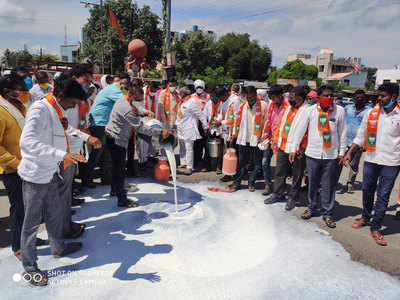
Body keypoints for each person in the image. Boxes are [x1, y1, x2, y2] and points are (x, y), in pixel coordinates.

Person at [18, 78, 89, 286]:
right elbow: (27, 141)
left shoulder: (56, 109)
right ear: (61, 96)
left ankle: (58, 248)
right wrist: (62, 154)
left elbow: (59, 133)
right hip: (35, 176)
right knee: (31, 223)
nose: (74, 106)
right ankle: (30, 267)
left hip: (49, 172)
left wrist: (78, 141)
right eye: (73, 101)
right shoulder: (40, 109)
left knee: (55, 213)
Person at [346, 83, 400, 246]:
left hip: (391, 162)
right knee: (367, 190)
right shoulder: (371, 113)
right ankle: (365, 217)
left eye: (383, 96)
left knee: (383, 195)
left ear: (393, 97)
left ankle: (376, 227)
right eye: (379, 95)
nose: (379, 98)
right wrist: (350, 152)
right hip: (371, 159)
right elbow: (361, 135)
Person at [289, 85, 347, 229]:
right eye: (326, 96)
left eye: (331, 95)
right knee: (312, 184)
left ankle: (328, 213)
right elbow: (300, 130)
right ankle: (311, 207)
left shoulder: (339, 111)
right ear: (319, 97)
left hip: (331, 155)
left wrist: (341, 153)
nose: (329, 98)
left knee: (328, 186)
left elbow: (343, 132)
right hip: (313, 154)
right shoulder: (310, 111)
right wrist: (293, 148)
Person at [105, 85, 169, 207]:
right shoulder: (127, 109)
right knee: (119, 169)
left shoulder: (123, 99)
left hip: (111, 136)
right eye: (138, 99)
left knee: (116, 167)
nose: (139, 101)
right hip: (116, 139)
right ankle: (122, 199)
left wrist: (143, 112)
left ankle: (114, 190)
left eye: (140, 99)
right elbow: (140, 128)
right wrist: (160, 132)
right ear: (131, 96)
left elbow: (136, 109)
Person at [0, 75, 41, 261]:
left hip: (29, 165)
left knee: (30, 207)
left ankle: (29, 239)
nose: (24, 93)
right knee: (18, 209)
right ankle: (18, 245)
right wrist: (17, 163)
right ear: (7, 92)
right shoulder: (1, 112)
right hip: (13, 169)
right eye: (20, 90)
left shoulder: (21, 108)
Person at [264, 86, 309, 210]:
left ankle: (293, 198)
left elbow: (307, 133)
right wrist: (275, 140)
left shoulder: (307, 111)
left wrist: (302, 148)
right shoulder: (289, 108)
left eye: (292, 98)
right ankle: (277, 194)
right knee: (279, 172)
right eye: (289, 97)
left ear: (300, 98)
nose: (289, 100)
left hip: (298, 149)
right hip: (283, 146)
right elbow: (281, 125)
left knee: (296, 175)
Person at [84, 73, 131, 188]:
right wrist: (142, 111)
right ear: (121, 83)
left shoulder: (117, 89)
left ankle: (107, 178)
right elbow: (128, 104)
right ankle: (86, 179)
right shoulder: (113, 90)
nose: (127, 88)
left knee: (107, 152)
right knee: (97, 151)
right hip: (99, 122)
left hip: (105, 123)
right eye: (126, 85)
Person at [228, 86, 268, 192]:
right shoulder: (243, 106)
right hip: (244, 138)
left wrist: (263, 136)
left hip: (257, 139)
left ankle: (251, 182)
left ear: (256, 95)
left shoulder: (263, 106)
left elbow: (266, 122)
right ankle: (237, 183)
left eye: (252, 97)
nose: (250, 100)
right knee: (241, 162)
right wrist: (234, 134)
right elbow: (237, 121)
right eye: (248, 98)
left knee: (256, 163)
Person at [337, 89, 370, 193]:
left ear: (365, 99)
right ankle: (334, 181)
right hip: (344, 140)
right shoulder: (347, 108)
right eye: (357, 97)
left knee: (354, 164)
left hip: (358, 143)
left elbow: (369, 128)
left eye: (362, 98)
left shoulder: (368, 111)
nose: (359, 99)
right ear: (353, 98)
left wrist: (365, 143)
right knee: (338, 162)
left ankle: (350, 184)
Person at [260, 85, 288, 195]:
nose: (272, 99)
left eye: (273, 97)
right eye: (270, 97)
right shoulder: (271, 105)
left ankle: (280, 188)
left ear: (280, 95)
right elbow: (268, 120)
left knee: (281, 167)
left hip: (282, 141)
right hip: (270, 139)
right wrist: (265, 134)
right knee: (264, 162)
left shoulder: (288, 107)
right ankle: (268, 184)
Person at [176, 87, 209, 175]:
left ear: (184, 93)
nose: (179, 95)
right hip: (181, 127)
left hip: (189, 128)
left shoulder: (192, 101)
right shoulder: (182, 101)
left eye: (180, 93)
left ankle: (189, 167)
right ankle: (183, 163)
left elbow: (200, 115)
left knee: (189, 148)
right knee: (182, 146)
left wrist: (205, 126)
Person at [203, 87, 230, 174]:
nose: (212, 97)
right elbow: (204, 116)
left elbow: (222, 116)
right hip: (211, 128)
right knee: (207, 148)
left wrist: (219, 122)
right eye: (211, 96)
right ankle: (207, 165)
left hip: (220, 129)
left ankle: (219, 166)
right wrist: (206, 126)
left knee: (220, 149)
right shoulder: (208, 104)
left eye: (214, 96)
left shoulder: (222, 104)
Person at [191, 79, 210, 171]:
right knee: (196, 144)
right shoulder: (192, 97)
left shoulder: (208, 97)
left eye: (201, 87)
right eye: (197, 87)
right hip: (195, 123)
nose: (199, 89)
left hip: (205, 124)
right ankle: (195, 162)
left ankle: (205, 164)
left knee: (206, 144)